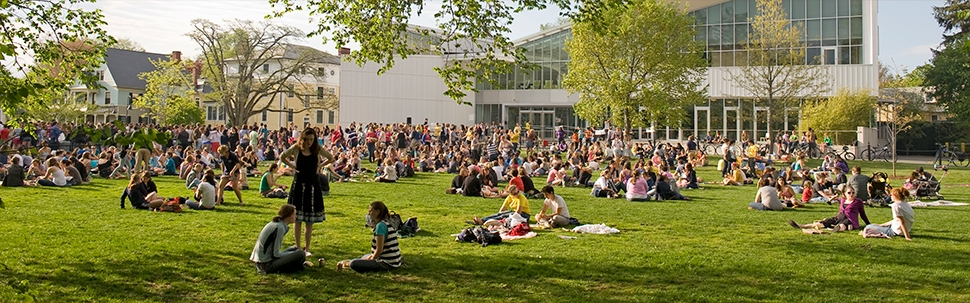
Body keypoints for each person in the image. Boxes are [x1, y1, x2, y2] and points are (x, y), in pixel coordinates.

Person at [279, 128, 335, 257]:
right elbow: (282, 156)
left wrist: (320, 166)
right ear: (302, 139)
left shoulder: (317, 149)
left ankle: (307, 248)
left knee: (309, 220)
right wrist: (292, 166)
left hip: (313, 185)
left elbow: (331, 158)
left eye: (312, 139)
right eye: (307, 139)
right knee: (297, 218)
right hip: (299, 183)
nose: (309, 142)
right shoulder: (296, 148)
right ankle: (298, 247)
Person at [336, 201, 402, 272]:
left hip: (386, 262)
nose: (369, 213)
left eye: (370, 211)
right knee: (365, 256)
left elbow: (379, 250)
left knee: (354, 263)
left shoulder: (380, 226)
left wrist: (372, 258)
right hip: (394, 260)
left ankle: (349, 263)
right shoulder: (386, 223)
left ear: (377, 212)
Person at [250, 204, 312, 274]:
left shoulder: (277, 223)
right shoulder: (279, 228)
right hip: (266, 264)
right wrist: (296, 253)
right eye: (294, 214)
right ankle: (296, 266)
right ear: (288, 216)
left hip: (261, 259)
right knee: (300, 253)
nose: (296, 216)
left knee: (295, 248)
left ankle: (297, 265)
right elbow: (276, 254)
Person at [789, 187, 870, 232]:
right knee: (824, 222)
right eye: (849, 193)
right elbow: (831, 201)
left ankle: (836, 229)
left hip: (850, 219)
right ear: (844, 194)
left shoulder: (858, 201)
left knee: (843, 225)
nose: (851, 194)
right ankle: (801, 226)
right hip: (839, 217)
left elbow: (862, 214)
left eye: (853, 192)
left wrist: (868, 224)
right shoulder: (842, 200)